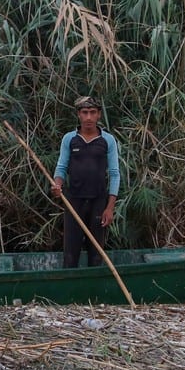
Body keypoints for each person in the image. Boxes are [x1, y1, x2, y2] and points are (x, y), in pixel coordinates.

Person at [51, 96, 121, 268]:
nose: (88, 117)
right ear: (79, 115)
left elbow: (114, 174)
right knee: (70, 252)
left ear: (98, 115)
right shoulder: (69, 139)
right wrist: (57, 185)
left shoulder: (107, 140)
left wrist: (110, 207)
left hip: (98, 201)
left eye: (92, 113)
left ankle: (94, 293)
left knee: (96, 253)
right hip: (73, 200)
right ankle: (69, 289)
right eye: (84, 113)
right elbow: (61, 167)